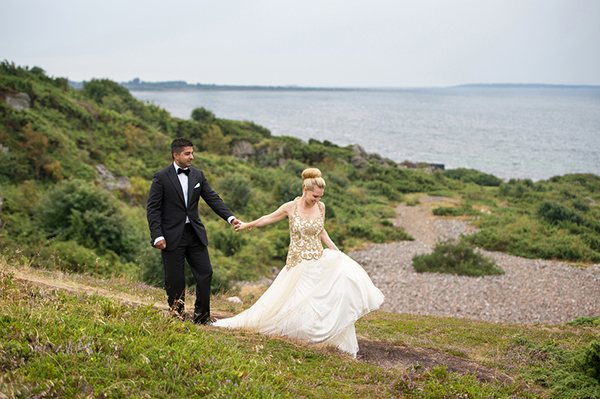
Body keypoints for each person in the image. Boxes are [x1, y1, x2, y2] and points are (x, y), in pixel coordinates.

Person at [214, 168, 384, 357]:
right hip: (297, 261)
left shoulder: (321, 207)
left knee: (323, 296)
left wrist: (334, 249)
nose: (317, 200)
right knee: (295, 301)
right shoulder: (290, 207)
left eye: (320, 197)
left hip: (317, 258)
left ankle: (319, 336)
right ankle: (296, 333)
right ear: (304, 189)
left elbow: (321, 230)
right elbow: (268, 218)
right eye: (314, 196)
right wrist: (248, 225)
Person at [147, 137, 241, 324]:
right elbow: (153, 209)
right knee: (175, 280)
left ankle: (201, 317)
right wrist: (157, 235)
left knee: (206, 273)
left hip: (195, 234)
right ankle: (177, 316)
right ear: (176, 155)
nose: (192, 157)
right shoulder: (161, 177)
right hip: (171, 236)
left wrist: (230, 218)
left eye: (192, 152)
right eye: (187, 153)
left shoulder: (198, 175)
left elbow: (212, 198)